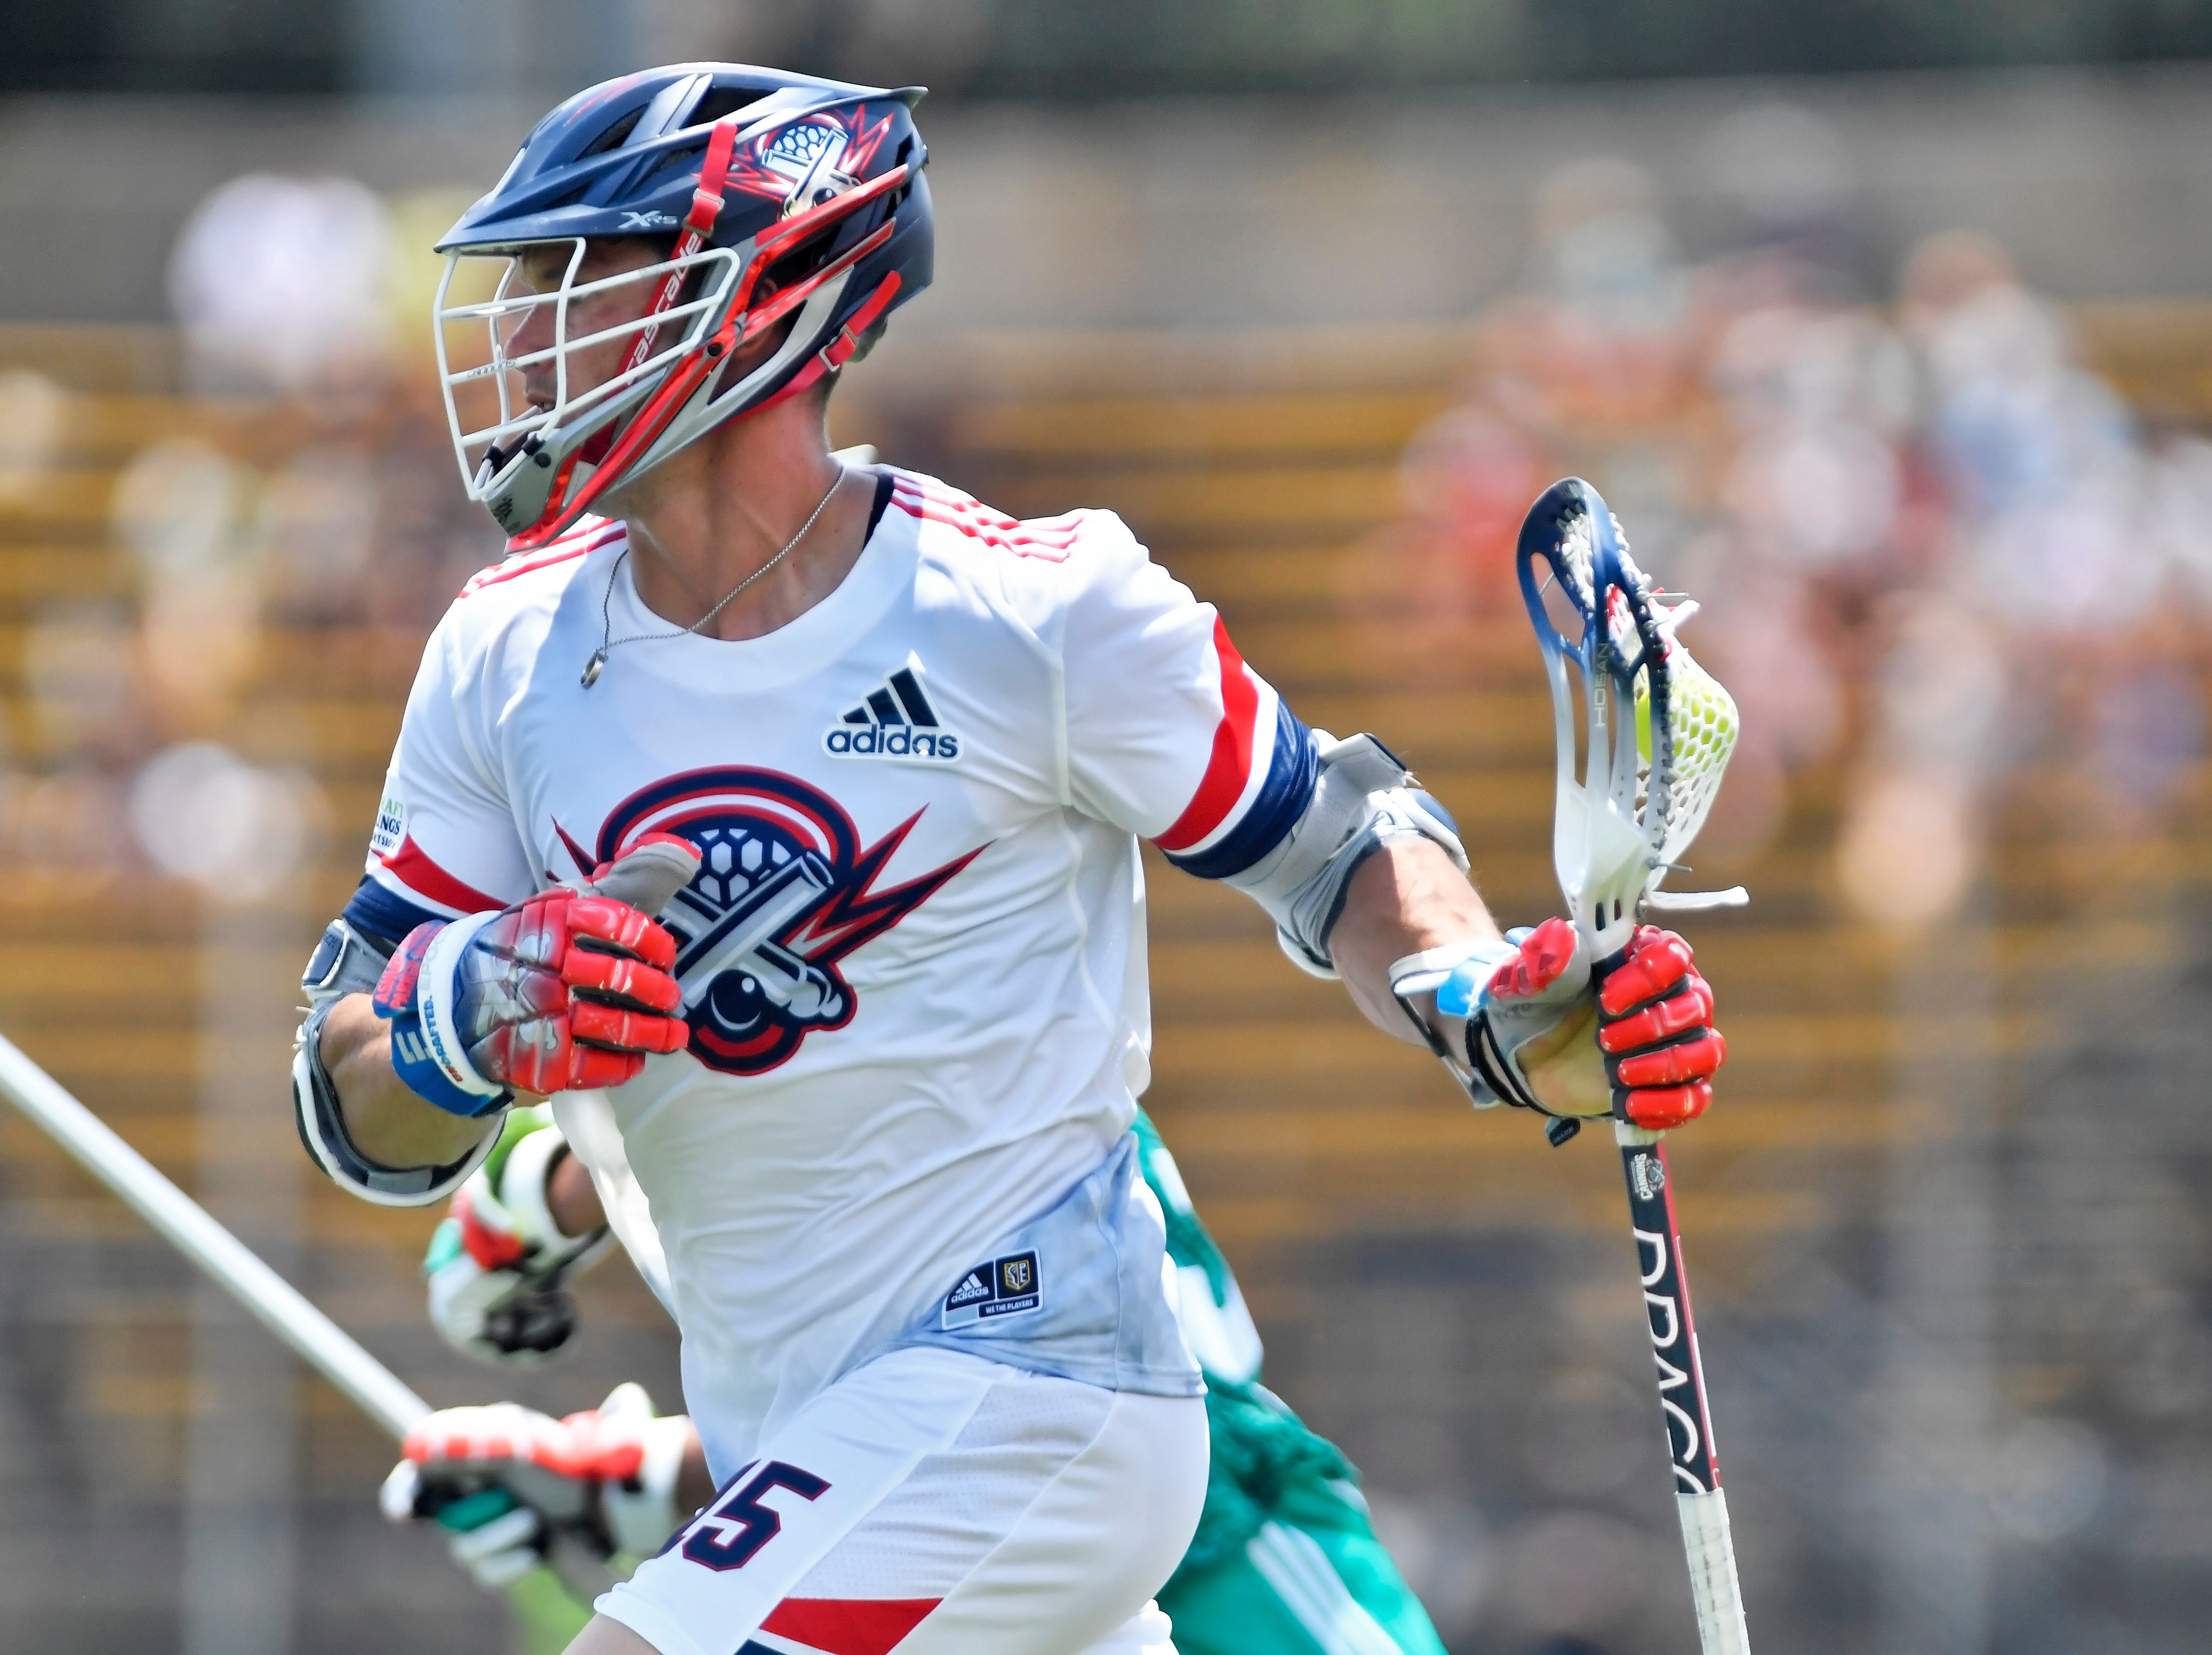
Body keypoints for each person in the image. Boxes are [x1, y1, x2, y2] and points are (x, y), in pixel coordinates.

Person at [290, 64, 1727, 1655]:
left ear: (765, 298)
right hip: (809, 1448)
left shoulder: (1038, 611)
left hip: (1050, 1393)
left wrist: (1479, 997)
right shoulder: (499, 654)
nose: (523, 327)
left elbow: (1341, 844)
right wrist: (459, 1015)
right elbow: (351, 1095)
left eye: (588, 272)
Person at [404, 1106, 1453, 1654]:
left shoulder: (959, 1043)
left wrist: (636, 1476)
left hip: (1222, 1556)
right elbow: (895, 1430)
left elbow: (1031, 1433)